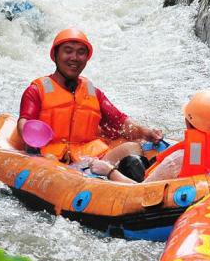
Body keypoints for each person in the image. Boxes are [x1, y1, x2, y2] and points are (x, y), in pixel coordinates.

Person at [17, 28, 163, 182]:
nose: (74, 57)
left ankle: (141, 190)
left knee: (132, 149)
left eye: (81, 52)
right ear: (55, 55)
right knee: (52, 164)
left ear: (86, 58)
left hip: (90, 160)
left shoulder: (93, 93)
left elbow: (120, 122)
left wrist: (145, 132)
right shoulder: (36, 90)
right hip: (53, 161)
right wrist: (30, 135)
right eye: (68, 51)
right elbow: (24, 122)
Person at [144, 90, 210, 182]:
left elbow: (144, 189)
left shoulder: (177, 159)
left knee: (133, 160)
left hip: (180, 196)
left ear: (188, 123)